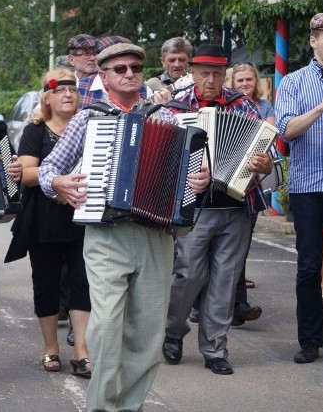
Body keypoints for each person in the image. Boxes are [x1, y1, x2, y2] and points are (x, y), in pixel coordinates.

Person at [37, 42, 210, 411]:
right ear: (103, 76)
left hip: (155, 236)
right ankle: (101, 406)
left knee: (148, 335)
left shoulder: (166, 118)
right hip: (105, 235)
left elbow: (190, 177)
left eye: (135, 67)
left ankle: (129, 407)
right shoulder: (88, 118)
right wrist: (60, 185)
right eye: (120, 69)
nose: (129, 73)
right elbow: (49, 169)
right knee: (105, 327)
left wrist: (198, 182)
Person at [162, 44, 274, 375]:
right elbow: (166, 159)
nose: (210, 80)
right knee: (188, 274)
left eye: (216, 73)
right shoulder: (178, 109)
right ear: (192, 73)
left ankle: (215, 348)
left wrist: (265, 164)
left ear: (224, 74)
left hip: (237, 204)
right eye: (203, 73)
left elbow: (263, 155)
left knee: (225, 279)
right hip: (195, 207)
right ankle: (173, 332)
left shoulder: (243, 105)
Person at [5, 68, 91, 378]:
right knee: (47, 285)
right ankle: (51, 347)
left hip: (82, 216)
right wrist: (57, 180)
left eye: (73, 90)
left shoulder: (90, 126)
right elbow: (26, 174)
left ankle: (81, 351)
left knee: (83, 284)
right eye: (60, 90)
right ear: (48, 98)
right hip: (44, 218)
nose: (68, 94)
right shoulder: (35, 131)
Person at [275, 12, 323, 364]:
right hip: (310, 184)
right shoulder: (293, 82)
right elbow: (286, 130)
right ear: (313, 40)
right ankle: (309, 340)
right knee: (309, 265)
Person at [231, 62, 274, 322]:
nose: (245, 84)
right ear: (232, 83)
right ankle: (228, 305)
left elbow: (266, 136)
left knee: (241, 247)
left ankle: (238, 306)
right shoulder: (227, 105)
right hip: (227, 180)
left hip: (253, 183)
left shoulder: (265, 106)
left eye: (249, 80)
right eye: (240, 81)